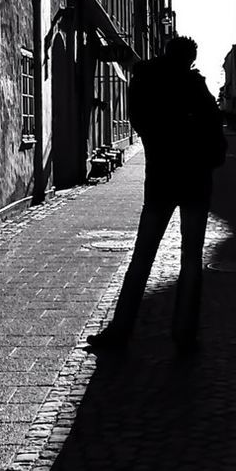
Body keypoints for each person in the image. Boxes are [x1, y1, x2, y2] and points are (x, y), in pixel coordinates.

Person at [87, 35, 227, 355]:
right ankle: (184, 334)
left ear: (166, 52)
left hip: (162, 181)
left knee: (143, 255)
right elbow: (215, 133)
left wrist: (164, 139)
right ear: (190, 59)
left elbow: (141, 123)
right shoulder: (196, 87)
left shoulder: (146, 80)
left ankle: (120, 329)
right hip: (195, 183)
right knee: (191, 259)